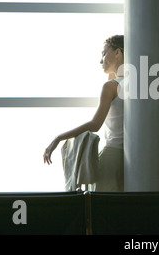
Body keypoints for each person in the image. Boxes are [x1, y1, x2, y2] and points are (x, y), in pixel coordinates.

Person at [43, 35, 124, 191]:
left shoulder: (110, 87)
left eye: (104, 53)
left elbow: (95, 125)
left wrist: (59, 137)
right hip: (133, 160)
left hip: (111, 159)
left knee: (100, 210)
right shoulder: (139, 86)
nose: (101, 60)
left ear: (118, 52)